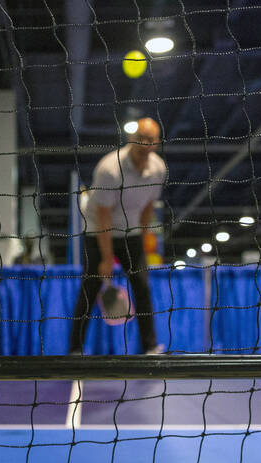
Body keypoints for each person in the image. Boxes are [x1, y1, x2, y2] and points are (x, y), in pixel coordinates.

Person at [69, 117, 166, 355]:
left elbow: (148, 208)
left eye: (151, 140)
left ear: (157, 143)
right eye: (141, 139)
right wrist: (106, 258)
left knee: (142, 286)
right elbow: (103, 216)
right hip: (97, 231)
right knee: (91, 286)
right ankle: (75, 349)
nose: (146, 144)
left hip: (131, 232)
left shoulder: (158, 169)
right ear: (132, 140)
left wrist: (143, 240)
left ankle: (150, 347)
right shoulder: (110, 169)